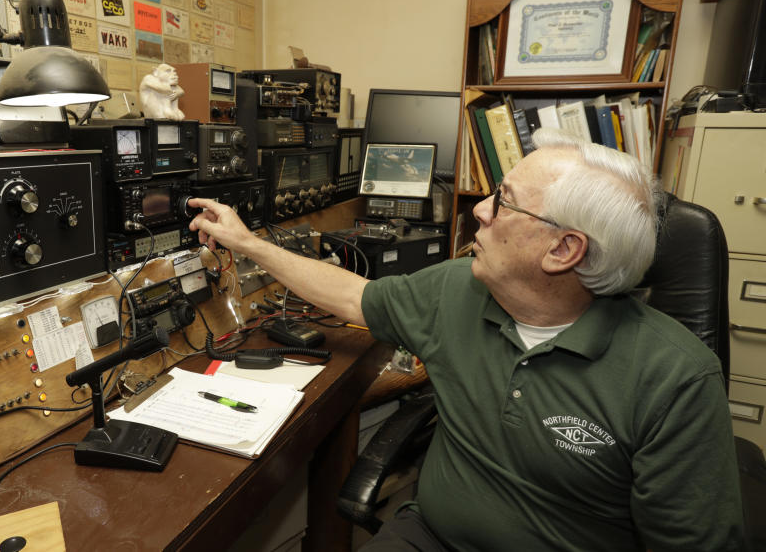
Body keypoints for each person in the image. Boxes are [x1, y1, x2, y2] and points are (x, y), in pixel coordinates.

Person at [187, 128, 745, 551]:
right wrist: (249, 243)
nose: (479, 209)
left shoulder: (676, 379)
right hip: (431, 536)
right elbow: (356, 297)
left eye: (502, 200)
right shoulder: (458, 287)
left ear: (563, 251)